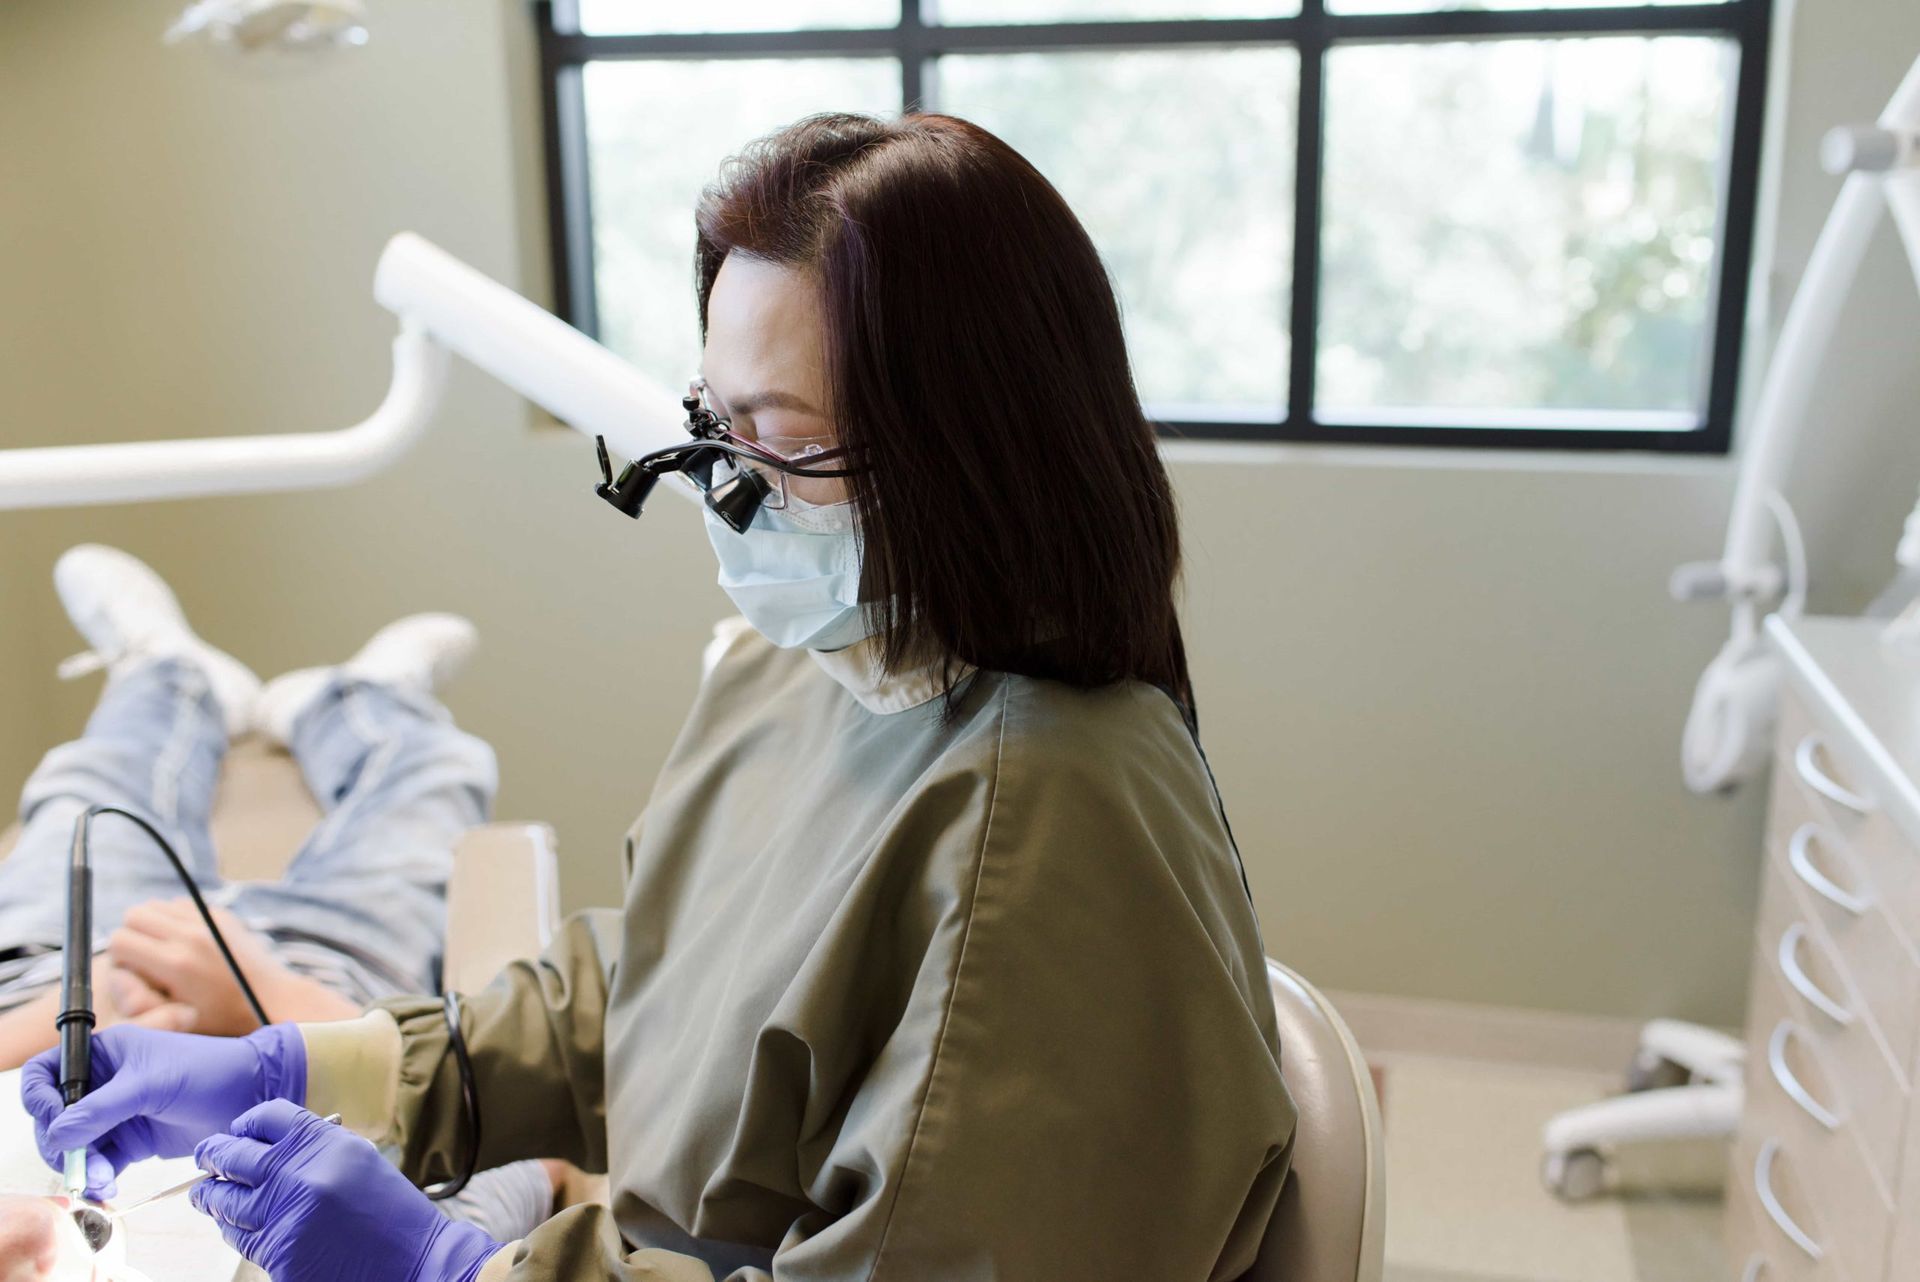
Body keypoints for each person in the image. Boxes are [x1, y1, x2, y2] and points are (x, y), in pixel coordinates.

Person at [25, 112, 1296, 1281]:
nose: (731, 494)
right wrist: (317, 1064)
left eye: (788, 446)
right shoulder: (801, 668)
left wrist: (451, 1271)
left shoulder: (1061, 824)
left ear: (972, 449)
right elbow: (653, 986)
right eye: (715, 427)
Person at [0, 545, 561, 1266]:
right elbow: (526, 1154)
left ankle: (171, 680)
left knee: (89, 793)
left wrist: (76, 1005)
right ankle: (368, 705)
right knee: (426, 788)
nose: (26, 1229)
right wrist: (273, 1012)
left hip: (52, 981)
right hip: (330, 984)